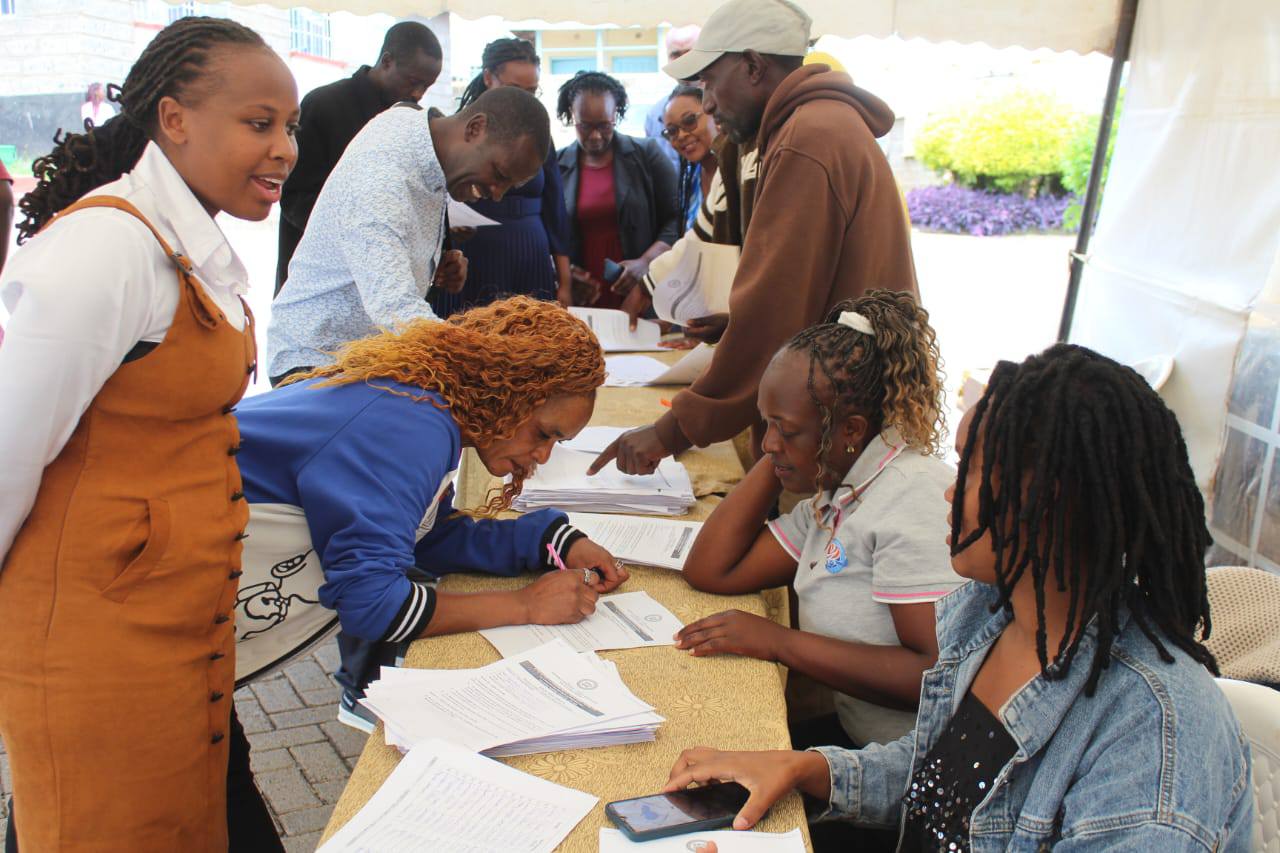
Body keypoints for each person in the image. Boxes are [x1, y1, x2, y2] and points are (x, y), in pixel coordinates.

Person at [662, 345, 1257, 851]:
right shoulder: (989, 615)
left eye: (972, 469)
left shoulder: (1153, 734)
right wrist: (809, 768)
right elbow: (944, 779)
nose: (948, 490)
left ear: (1048, 504)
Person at [0, 17, 297, 850]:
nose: (283, 149)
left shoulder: (184, 243)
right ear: (174, 120)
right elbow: (8, 454)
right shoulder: (108, 249)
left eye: (290, 127)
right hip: (95, 646)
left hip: (175, 636)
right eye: (259, 123)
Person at [235, 297, 630, 731]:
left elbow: (428, 537)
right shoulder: (412, 424)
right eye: (543, 433)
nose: (543, 455)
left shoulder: (423, 408)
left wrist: (555, 540)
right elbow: (374, 605)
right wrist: (523, 605)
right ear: (508, 390)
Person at [590, 0, 917, 476]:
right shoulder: (810, 127)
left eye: (708, 82)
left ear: (753, 66)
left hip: (842, 418)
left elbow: (776, 313)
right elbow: (807, 290)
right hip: (847, 399)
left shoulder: (807, 139)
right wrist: (735, 323)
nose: (706, 103)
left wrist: (670, 431)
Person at [266, 85, 552, 386]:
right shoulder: (381, 176)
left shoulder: (426, 134)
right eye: (499, 174)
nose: (497, 195)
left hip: (366, 356)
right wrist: (498, 366)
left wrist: (427, 265)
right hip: (316, 362)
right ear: (475, 128)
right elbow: (396, 308)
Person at [275, 21, 443, 295]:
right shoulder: (323, 104)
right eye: (413, 82)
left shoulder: (415, 124)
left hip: (385, 278)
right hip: (321, 279)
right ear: (386, 61)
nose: (418, 94)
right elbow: (295, 197)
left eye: (427, 86)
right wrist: (362, 238)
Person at [429, 38, 571, 316]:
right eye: (515, 89)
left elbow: (556, 212)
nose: (526, 100)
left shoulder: (539, 139)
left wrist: (565, 282)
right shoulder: (462, 132)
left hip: (530, 251)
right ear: (487, 78)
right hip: (475, 251)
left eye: (533, 91)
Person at [556, 71, 679, 315]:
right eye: (585, 126)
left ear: (616, 115)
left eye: (604, 125)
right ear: (572, 115)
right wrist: (565, 274)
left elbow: (677, 219)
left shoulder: (647, 155)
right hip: (584, 300)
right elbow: (549, 235)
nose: (595, 135)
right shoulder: (557, 166)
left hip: (641, 294)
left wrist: (645, 263)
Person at [662, 84, 719, 234]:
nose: (681, 135)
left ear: (713, 113)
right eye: (672, 131)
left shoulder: (739, 171)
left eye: (689, 121)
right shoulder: (691, 179)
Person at [644, 25, 701, 171]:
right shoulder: (655, 115)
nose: (683, 60)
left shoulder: (723, 105)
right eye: (676, 54)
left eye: (689, 52)